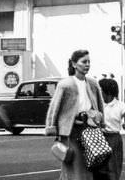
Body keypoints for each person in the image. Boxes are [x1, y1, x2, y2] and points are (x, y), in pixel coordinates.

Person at [45, 48, 106, 180]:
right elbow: (54, 107)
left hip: (89, 131)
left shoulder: (93, 83)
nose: (87, 64)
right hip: (70, 132)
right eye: (84, 61)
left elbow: (100, 105)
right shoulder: (65, 84)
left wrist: (100, 119)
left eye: (89, 62)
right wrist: (52, 127)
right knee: (73, 167)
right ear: (74, 64)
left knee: (88, 166)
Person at [99, 77, 125, 180]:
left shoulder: (120, 105)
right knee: (98, 168)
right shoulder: (98, 104)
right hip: (100, 138)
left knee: (113, 168)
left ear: (108, 92)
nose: (99, 92)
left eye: (100, 90)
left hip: (114, 139)